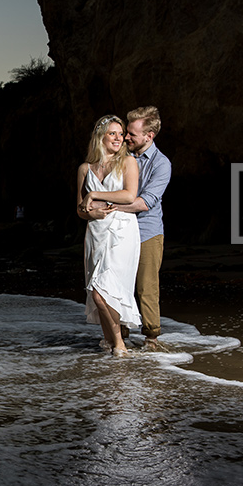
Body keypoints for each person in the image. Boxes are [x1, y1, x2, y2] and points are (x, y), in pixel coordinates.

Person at [76, 115, 142, 356]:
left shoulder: (128, 162)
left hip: (122, 230)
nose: (119, 138)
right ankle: (111, 342)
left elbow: (129, 196)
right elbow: (79, 210)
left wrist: (94, 195)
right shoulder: (85, 168)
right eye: (112, 133)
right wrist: (90, 212)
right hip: (95, 232)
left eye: (120, 133)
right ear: (100, 137)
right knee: (98, 292)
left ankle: (120, 344)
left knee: (103, 289)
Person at [110, 106, 172, 350]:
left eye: (132, 134)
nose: (126, 138)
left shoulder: (161, 164)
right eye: (127, 132)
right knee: (119, 285)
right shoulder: (121, 156)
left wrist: (109, 206)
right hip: (119, 231)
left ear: (149, 136)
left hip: (148, 232)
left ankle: (151, 339)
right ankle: (119, 337)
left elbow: (145, 203)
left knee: (146, 287)